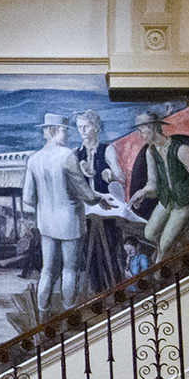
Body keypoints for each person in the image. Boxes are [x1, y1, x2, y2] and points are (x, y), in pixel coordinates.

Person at [21, 111, 108, 314]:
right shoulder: (68, 156)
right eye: (64, 131)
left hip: (47, 224)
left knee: (48, 271)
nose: (68, 136)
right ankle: (69, 316)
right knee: (70, 270)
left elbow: (27, 198)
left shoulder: (34, 159)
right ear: (53, 131)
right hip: (70, 223)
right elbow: (85, 193)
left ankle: (43, 316)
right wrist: (99, 198)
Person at [128, 110, 189, 261]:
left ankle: (158, 273)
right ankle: (174, 248)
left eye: (141, 129)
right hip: (166, 201)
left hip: (183, 203)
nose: (139, 134)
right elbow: (153, 185)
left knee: (164, 244)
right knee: (149, 233)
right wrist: (143, 192)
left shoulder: (182, 150)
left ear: (153, 128)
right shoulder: (151, 152)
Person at [74, 107, 129, 296]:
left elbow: (121, 178)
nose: (82, 130)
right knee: (89, 253)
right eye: (79, 126)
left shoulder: (107, 150)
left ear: (95, 127)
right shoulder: (76, 154)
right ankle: (98, 293)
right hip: (86, 208)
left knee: (111, 249)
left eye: (86, 126)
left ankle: (117, 291)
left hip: (106, 207)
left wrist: (110, 173)